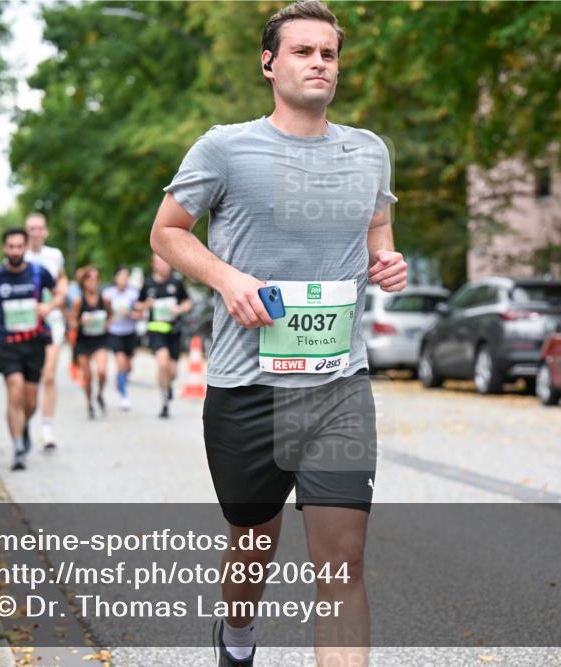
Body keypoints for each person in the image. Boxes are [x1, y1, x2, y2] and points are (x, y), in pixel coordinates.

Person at [149, 2, 406, 664]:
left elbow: (378, 232)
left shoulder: (369, 151)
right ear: (268, 63)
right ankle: (237, 633)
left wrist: (388, 260)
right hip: (248, 387)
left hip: (337, 387)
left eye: (329, 53)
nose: (320, 62)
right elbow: (167, 232)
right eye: (303, 51)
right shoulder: (225, 148)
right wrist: (228, 279)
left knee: (342, 559)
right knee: (252, 538)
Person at [0, 227, 61, 470]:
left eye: (19, 246)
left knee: (31, 402)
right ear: (5, 248)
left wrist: (49, 307)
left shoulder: (39, 272)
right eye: (11, 246)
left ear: (25, 247)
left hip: (35, 342)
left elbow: (58, 295)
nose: (15, 250)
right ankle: (17, 447)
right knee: (13, 390)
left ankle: (23, 425)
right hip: (8, 344)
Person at [24, 213, 68, 449]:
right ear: (26, 231)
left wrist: (51, 304)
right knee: (27, 380)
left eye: (40, 228)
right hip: (25, 325)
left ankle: (47, 428)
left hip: (52, 320)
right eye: (31, 228)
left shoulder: (55, 255)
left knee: (49, 375)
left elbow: (62, 283)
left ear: (46, 232)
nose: (36, 232)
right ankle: (24, 423)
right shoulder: (19, 255)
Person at [135, 254, 191, 419]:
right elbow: (137, 305)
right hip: (156, 329)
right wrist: (146, 305)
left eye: (166, 262)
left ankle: (168, 386)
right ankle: (165, 400)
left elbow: (188, 302)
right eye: (159, 262)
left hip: (174, 330)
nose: (163, 265)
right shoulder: (148, 284)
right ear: (153, 265)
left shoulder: (176, 283)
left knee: (172, 372)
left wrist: (179, 309)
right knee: (162, 362)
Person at [69, 266, 111, 419]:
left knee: (101, 371)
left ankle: (99, 394)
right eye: (89, 279)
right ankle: (89, 403)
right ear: (84, 283)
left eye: (95, 279)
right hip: (83, 341)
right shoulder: (78, 301)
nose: (93, 282)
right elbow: (73, 322)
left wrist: (107, 323)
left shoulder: (104, 299)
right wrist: (80, 321)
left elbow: (110, 316)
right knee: (87, 376)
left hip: (100, 339)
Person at [103, 267, 141, 411]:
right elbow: (104, 311)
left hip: (130, 332)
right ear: (115, 278)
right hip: (115, 332)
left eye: (126, 277)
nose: (123, 280)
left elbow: (140, 314)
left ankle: (120, 378)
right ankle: (124, 397)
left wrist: (131, 314)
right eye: (121, 277)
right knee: (121, 363)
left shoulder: (134, 294)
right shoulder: (108, 294)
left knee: (128, 366)